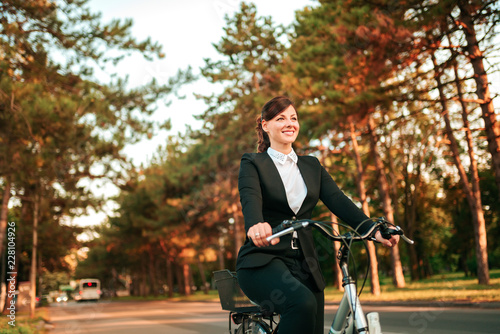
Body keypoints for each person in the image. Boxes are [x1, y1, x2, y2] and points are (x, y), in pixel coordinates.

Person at [236, 96, 399, 334]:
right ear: (264, 125)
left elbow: (339, 201)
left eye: (293, 118)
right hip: (263, 259)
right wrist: (255, 225)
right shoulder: (253, 163)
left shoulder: (311, 165)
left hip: (304, 263)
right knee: (301, 303)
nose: (289, 123)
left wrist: (372, 229)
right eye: (280, 118)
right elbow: (250, 196)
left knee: (312, 324)